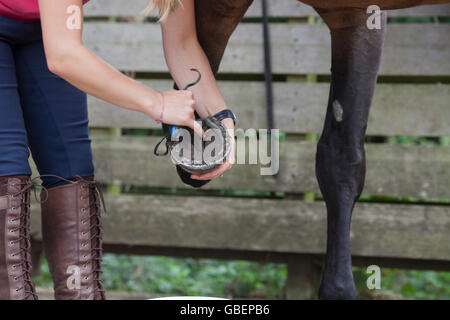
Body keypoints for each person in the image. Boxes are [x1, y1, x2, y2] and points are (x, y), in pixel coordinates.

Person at [0, 0, 235, 300]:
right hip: (54, 39)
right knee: (7, 167)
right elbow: (64, 57)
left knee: (73, 173)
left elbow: (183, 42)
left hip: (44, 25)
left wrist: (223, 119)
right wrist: (158, 103)